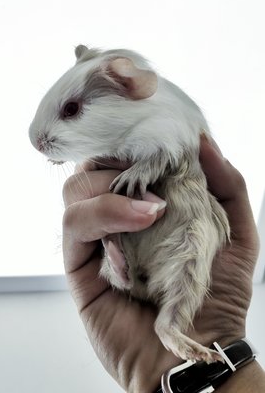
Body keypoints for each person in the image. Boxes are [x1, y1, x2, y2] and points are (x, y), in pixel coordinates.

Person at [62, 135, 265, 392]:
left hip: (185, 228)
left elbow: (170, 149)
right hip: (143, 252)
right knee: (123, 234)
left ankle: (166, 321)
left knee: (194, 250)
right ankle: (118, 264)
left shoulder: (168, 125)